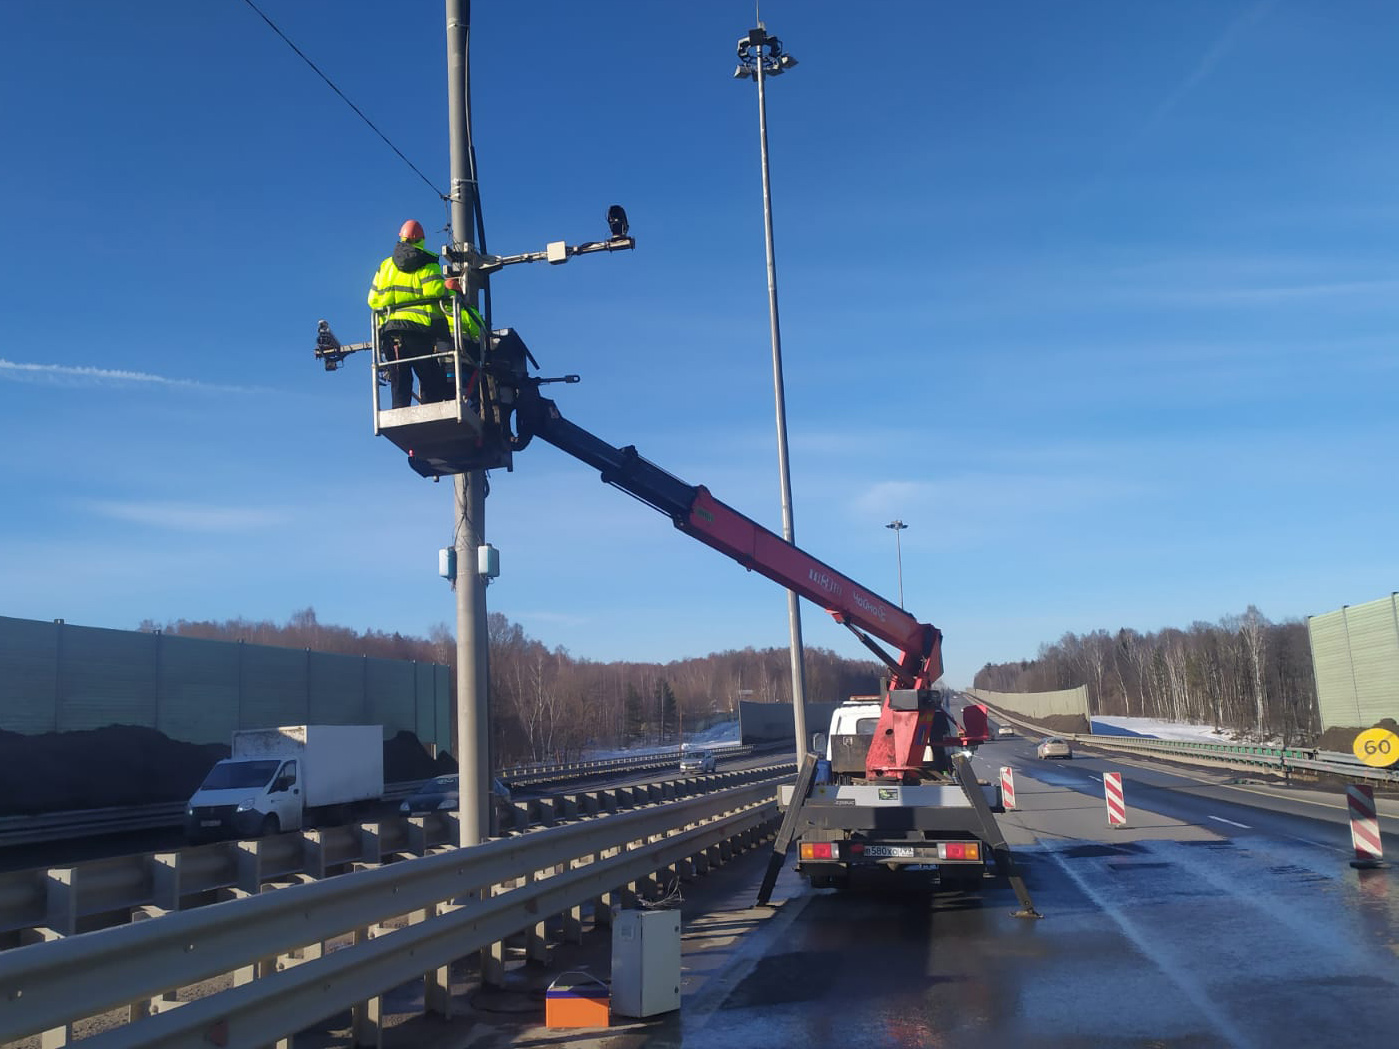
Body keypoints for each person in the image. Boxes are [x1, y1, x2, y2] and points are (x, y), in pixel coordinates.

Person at [367, 220, 452, 409]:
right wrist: (454, 293)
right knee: (429, 377)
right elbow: (435, 291)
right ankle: (433, 413)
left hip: (390, 332)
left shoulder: (385, 266)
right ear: (421, 240)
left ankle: (399, 412)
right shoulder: (428, 263)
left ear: (401, 237)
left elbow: (373, 300)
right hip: (418, 331)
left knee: (399, 379)